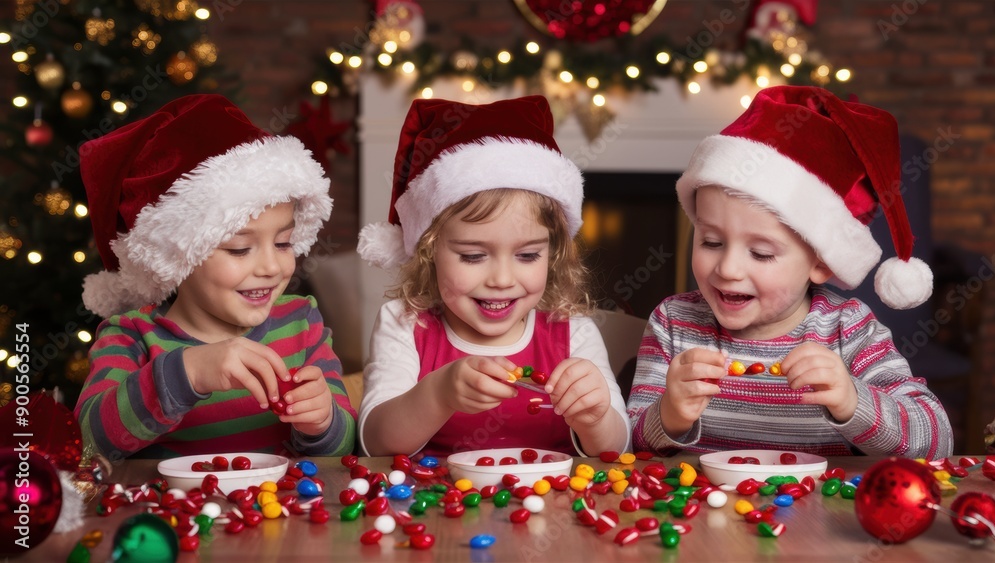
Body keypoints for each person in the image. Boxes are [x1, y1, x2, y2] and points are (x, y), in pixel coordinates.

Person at [628, 85, 954, 459]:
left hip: (820, 514)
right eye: (711, 242)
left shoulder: (847, 331)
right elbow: (630, 443)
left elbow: (936, 440)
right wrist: (668, 415)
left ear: (821, 263)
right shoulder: (673, 323)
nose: (728, 268)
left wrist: (853, 400)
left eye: (762, 253)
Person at [74, 94, 356, 459]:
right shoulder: (131, 337)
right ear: (178, 255)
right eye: (240, 249)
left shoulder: (301, 323)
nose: (272, 267)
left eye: (284, 243)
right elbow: (91, 443)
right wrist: (188, 372)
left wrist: (323, 422)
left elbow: (343, 448)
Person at [356, 96, 629, 457]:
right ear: (429, 252)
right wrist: (439, 394)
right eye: (473, 256)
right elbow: (375, 443)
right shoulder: (405, 324)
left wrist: (595, 418)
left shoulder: (572, 331)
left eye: (528, 255)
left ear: (553, 254)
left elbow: (617, 447)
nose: (502, 279)